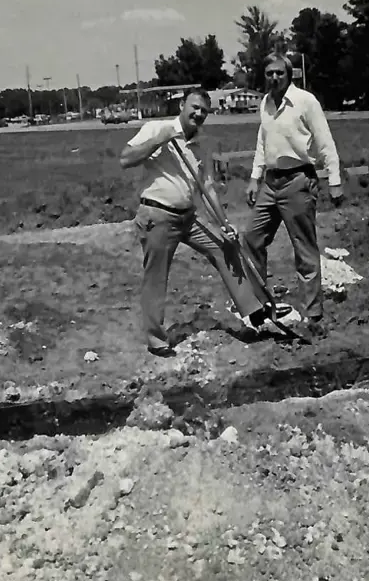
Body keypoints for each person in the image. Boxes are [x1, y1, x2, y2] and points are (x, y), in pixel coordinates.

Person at [120, 90, 274, 357]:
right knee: (156, 276)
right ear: (182, 105)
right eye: (194, 107)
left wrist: (224, 223)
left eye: (204, 110)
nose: (198, 114)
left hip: (188, 217)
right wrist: (160, 140)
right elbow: (126, 159)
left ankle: (253, 311)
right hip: (158, 216)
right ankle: (156, 339)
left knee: (224, 246)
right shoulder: (158, 128)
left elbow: (207, 187)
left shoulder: (202, 144)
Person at [244, 54, 343, 334]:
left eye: (279, 73)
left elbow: (325, 142)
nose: (274, 78)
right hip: (270, 182)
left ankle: (313, 316)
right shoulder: (265, 103)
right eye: (269, 73)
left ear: (289, 75)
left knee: (304, 249)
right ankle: (259, 305)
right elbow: (263, 143)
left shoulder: (305, 101)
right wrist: (254, 178)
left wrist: (334, 179)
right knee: (251, 238)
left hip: (298, 181)